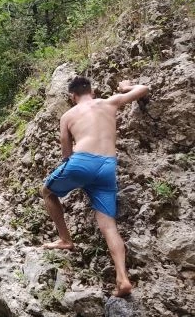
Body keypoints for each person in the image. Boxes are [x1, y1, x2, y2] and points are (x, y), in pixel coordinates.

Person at [41, 76, 148, 297]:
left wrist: (73, 170)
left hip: (82, 161)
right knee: (108, 225)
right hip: (108, 166)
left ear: (72, 96)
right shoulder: (110, 102)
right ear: (92, 90)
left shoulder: (68, 115)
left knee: (47, 192)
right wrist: (126, 86)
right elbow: (144, 88)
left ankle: (65, 240)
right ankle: (122, 278)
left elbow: (66, 151)